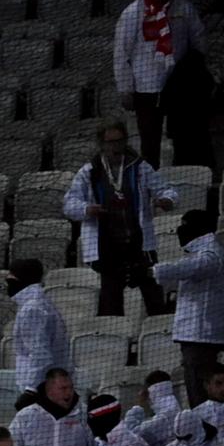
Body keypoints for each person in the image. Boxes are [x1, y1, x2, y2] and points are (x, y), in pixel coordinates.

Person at [63, 121, 175, 317]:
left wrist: (167, 200)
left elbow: (167, 190)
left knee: (153, 296)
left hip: (138, 243)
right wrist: (87, 209)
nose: (116, 146)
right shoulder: (89, 171)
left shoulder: (140, 167)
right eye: (111, 142)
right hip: (108, 246)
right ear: (102, 144)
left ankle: (160, 326)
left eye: (120, 141)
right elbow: (69, 204)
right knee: (111, 301)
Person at [113, 0, 208, 168]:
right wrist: (125, 88)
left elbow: (198, 41)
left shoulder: (184, 8)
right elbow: (121, 53)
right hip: (146, 86)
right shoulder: (132, 13)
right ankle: (151, 177)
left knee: (182, 135)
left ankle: (182, 174)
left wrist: (194, 72)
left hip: (178, 84)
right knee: (149, 140)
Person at [154, 210, 224, 407]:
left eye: (185, 225)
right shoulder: (200, 252)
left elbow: (191, 267)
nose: (180, 230)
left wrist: (152, 271)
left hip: (201, 336)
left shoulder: (211, 254)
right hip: (194, 336)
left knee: (200, 397)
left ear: (199, 228)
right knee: (194, 392)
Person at [8, 259, 71, 396]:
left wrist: (31, 389)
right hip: (48, 383)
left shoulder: (32, 308)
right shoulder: (39, 302)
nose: (8, 285)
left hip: (42, 388)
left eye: (11, 280)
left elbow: (40, 353)